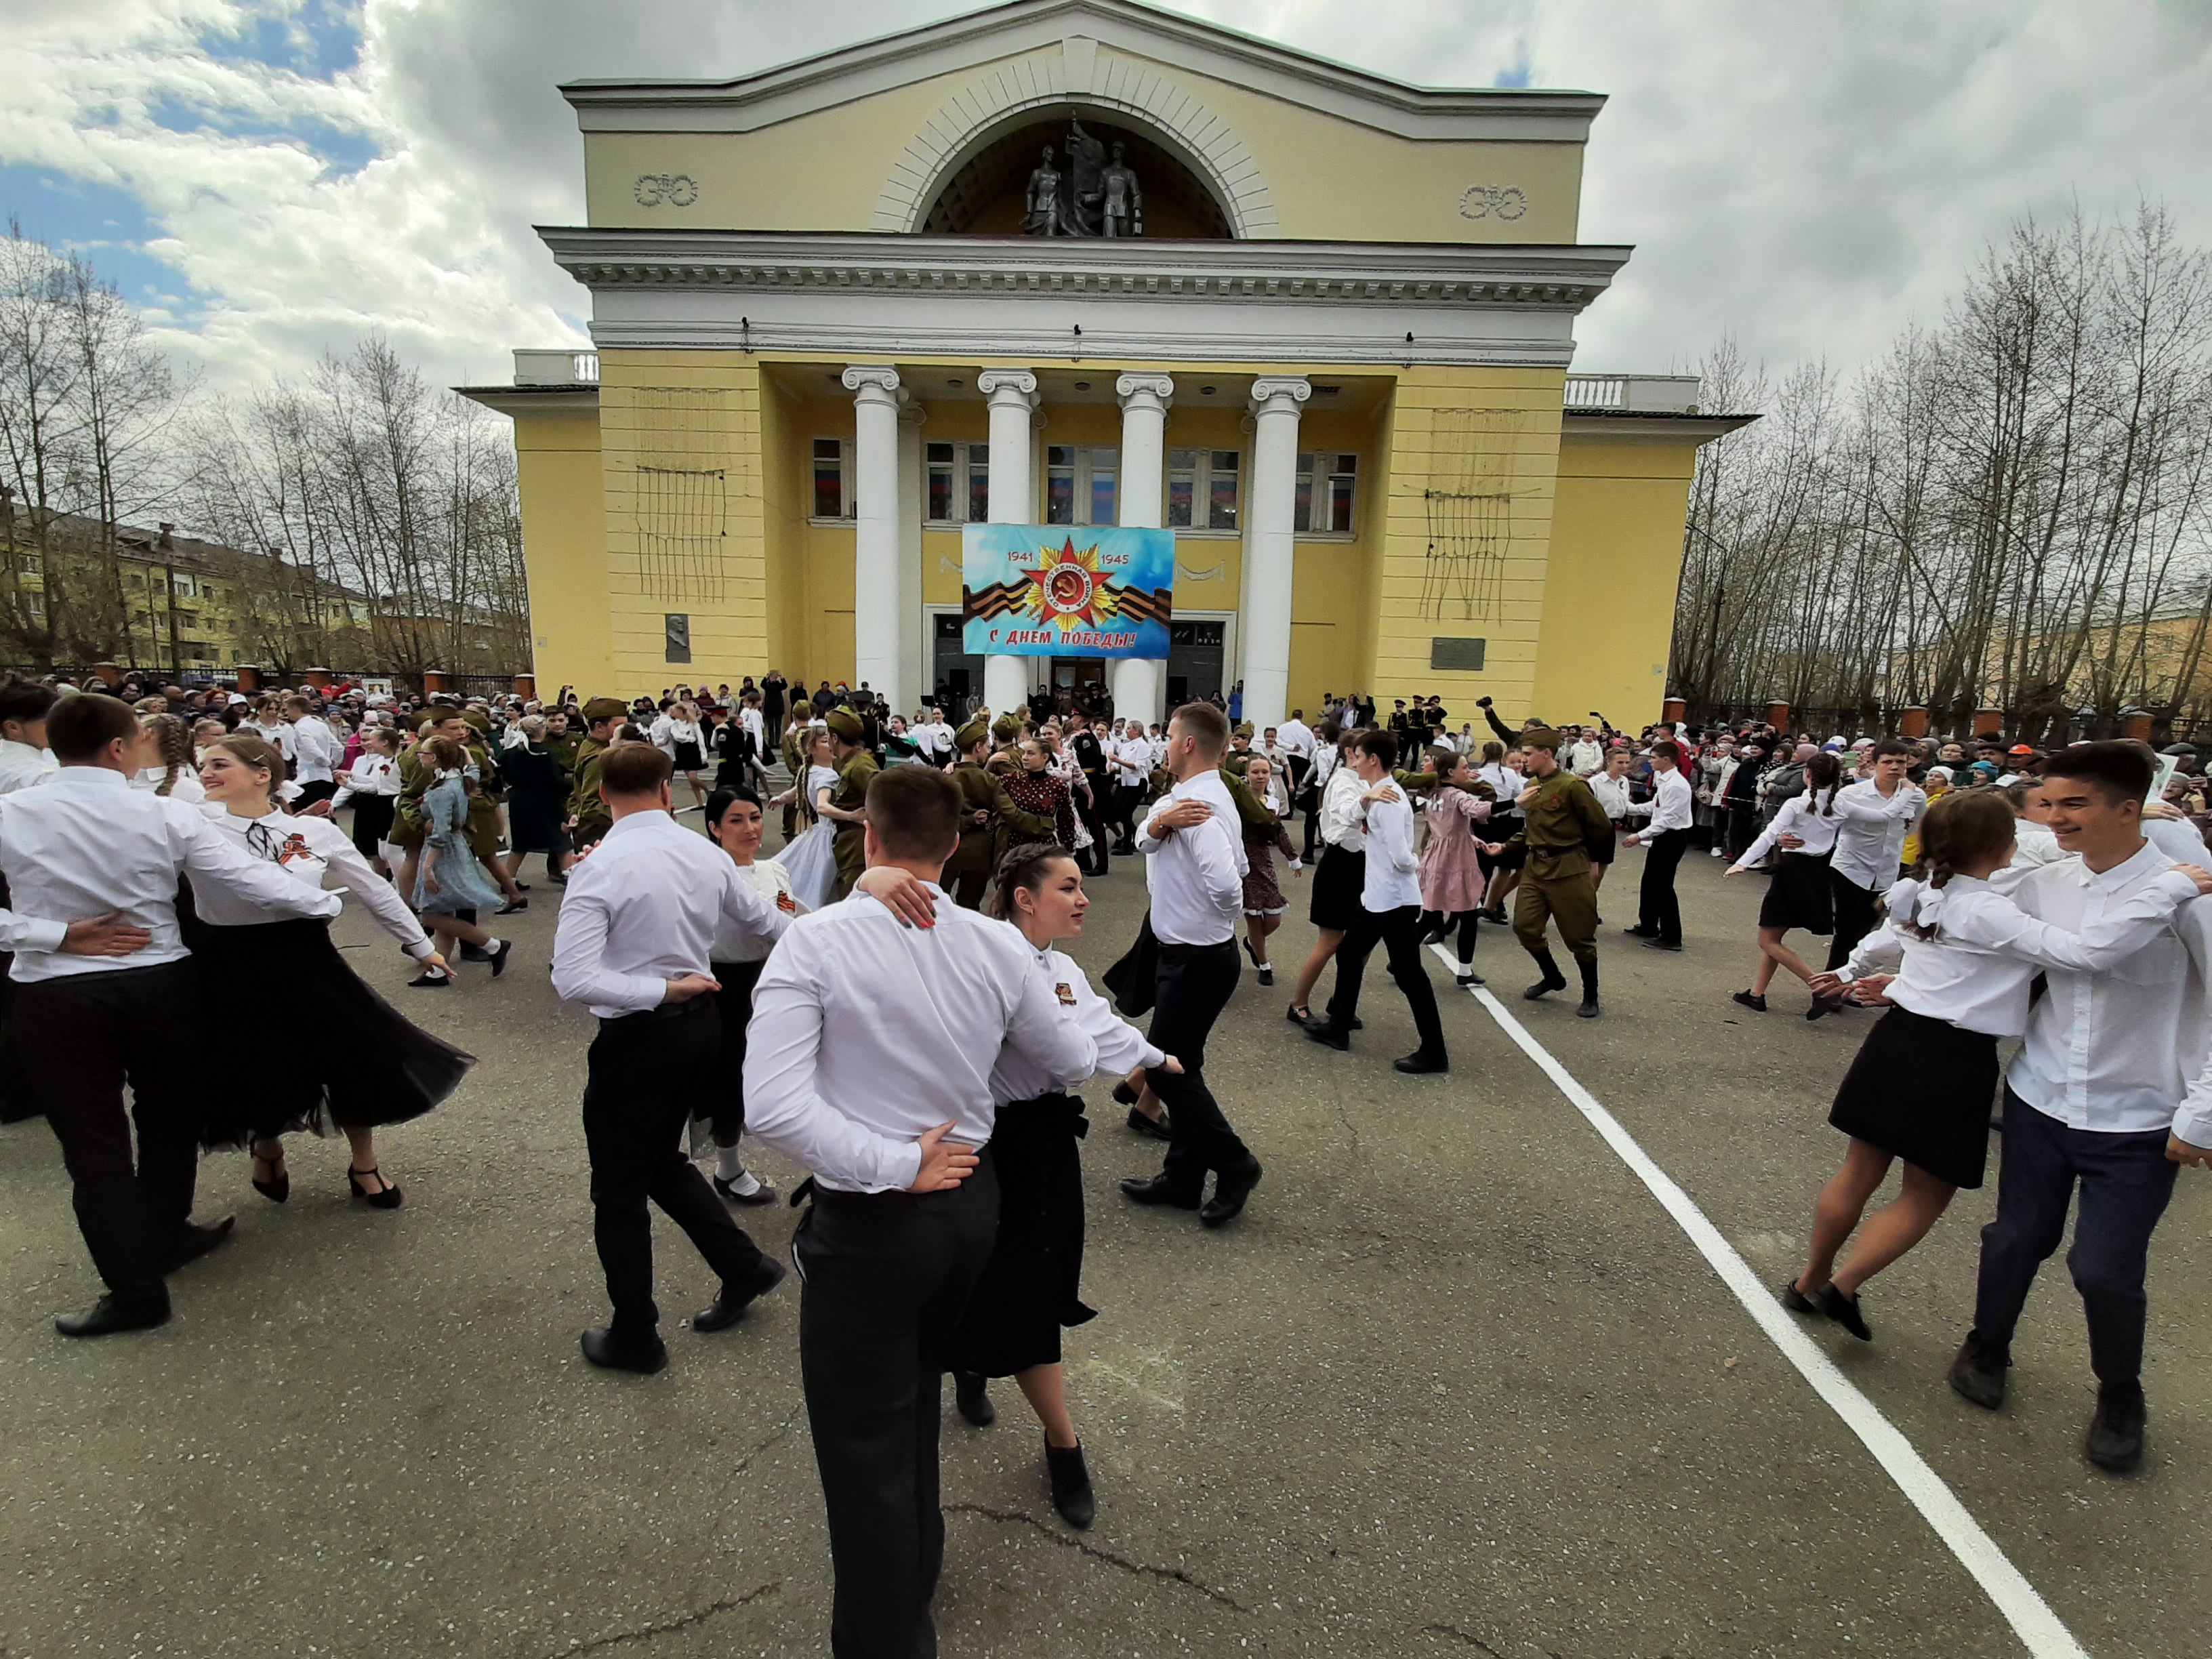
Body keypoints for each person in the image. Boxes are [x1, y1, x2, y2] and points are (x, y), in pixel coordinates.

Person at [742, 766, 1094, 1657]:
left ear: (868, 837)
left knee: (864, 1444)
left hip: (880, 1217)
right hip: (969, 1205)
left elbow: (771, 1106)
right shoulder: (993, 942)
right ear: (950, 846)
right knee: (909, 1402)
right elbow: (1067, 1059)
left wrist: (895, 1163)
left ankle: (888, 1636)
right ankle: (915, 1568)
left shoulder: (818, 942)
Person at [1789, 787, 2209, 1354]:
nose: (2028, 836)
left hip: (1897, 1039)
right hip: (1953, 1057)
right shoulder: (1992, 908)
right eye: (2013, 833)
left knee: (1857, 1173)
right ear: (1995, 844)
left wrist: (1860, 969)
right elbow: (2086, 951)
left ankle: (1808, 1279)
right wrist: (2172, 885)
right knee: (1923, 1194)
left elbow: (1902, 940)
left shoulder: (1919, 889)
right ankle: (1842, 1287)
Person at [0, 694, 348, 1336]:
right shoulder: (163, 814)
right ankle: (158, 1240)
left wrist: (50, 934)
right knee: (164, 1116)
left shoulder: (11, 813)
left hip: (57, 992)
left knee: (94, 1142)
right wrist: (319, 905)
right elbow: (244, 877)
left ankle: (141, 1278)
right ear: (118, 748)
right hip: (158, 982)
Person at [1931, 743, 2212, 1472]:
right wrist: (1883, 976)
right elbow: (1973, 937)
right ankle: (1987, 1344)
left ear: (2130, 809)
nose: (2053, 818)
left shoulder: (2191, 893)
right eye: (2048, 803)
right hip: (2040, 1096)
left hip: (2141, 1116)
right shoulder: (2044, 883)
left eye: (2074, 804)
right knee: (2017, 1237)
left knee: (2104, 1269)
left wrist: (2201, 1113)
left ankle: (2121, 1393)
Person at [550, 743, 838, 1372]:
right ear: (664, 792)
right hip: (698, 1028)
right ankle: (744, 1266)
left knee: (617, 1191)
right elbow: (775, 925)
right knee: (658, 1162)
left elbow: (571, 978)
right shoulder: (703, 855)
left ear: (603, 795)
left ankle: (636, 1335)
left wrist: (660, 988)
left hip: (645, 1035)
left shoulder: (601, 868)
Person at [949, 843, 1179, 1530]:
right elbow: (1072, 1054)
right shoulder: (990, 960)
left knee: (1025, 1281)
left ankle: (971, 1362)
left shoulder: (1060, 964)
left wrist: (1154, 1058)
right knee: (1020, 1287)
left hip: (1047, 1146)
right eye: (1069, 887)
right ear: (1025, 896)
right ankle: (1062, 1441)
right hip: (993, 1145)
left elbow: (1101, 1028)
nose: (1083, 899)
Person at [192, 734, 474, 1210]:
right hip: (227, 960)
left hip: (307, 959)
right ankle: (267, 1147)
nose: (205, 773)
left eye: (219, 764)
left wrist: (421, 945)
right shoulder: (195, 826)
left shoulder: (314, 832)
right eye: (202, 765)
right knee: (251, 1062)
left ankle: (364, 1163)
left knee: (352, 1058)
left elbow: (375, 890)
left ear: (263, 774)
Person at [1116, 701, 1265, 1226]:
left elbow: (1230, 882)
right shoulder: (1186, 798)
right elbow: (1140, 841)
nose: (1164, 744)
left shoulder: (1200, 807)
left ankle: (1236, 1163)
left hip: (1198, 957)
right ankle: (1182, 1180)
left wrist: (1215, 920)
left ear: (1186, 744)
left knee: (1171, 1071)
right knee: (1182, 1066)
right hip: (1184, 954)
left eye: (1170, 736)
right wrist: (1159, 824)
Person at [1301, 730, 1450, 1069]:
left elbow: (1400, 855)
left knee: (1409, 974)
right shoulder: (1377, 794)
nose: (1352, 760)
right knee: (1350, 955)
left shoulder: (1391, 800)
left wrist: (1414, 865)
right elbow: (1350, 816)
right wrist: (1366, 801)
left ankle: (1434, 1051)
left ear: (1372, 759)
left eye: (1358, 755)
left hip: (1395, 901)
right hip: (1375, 899)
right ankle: (1338, 1028)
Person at [1484, 729, 1610, 1017]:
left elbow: (1600, 826)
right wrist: (1503, 848)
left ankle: (1591, 994)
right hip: (1535, 867)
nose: (1523, 759)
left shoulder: (1573, 787)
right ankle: (1553, 977)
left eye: (1528, 754)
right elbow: (1530, 830)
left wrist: (1591, 860)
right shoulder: (1532, 784)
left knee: (1579, 937)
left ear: (1547, 754)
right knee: (1525, 927)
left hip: (1568, 868)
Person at [1724, 752, 1843, 1014]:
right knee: (1774, 937)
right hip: (1818, 872)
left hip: (1794, 871)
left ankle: (1821, 987)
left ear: (1807, 775)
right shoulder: (1841, 804)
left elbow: (1769, 834)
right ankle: (1757, 993)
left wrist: (1743, 861)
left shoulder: (1796, 804)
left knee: (1767, 940)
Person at [412, 736, 514, 981]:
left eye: (422, 753)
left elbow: (441, 831)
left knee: (432, 914)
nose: (420, 756)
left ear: (434, 758)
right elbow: (473, 771)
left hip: (443, 852)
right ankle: (438, 971)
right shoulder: (459, 779)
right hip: (457, 846)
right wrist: (463, 751)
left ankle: (494, 946)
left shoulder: (442, 791)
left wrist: (427, 868)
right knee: (443, 911)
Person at [1824, 739, 1927, 977]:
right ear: (1875, 763)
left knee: (1867, 931)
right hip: (1851, 867)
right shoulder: (1854, 793)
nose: (1894, 767)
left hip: (1886, 872)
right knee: (1846, 930)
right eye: (1888, 761)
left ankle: (1852, 981)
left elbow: (1912, 827)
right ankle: (1831, 984)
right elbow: (1833, 825)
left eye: (1900, 762)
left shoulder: (1916, 796)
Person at [944, 717, 1054, 910]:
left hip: (945, 847)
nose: (990, 750)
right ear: (978, 747)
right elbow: (1012, 814)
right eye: (987, 745)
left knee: (937, 903)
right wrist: (1044, 824)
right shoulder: (989, 780)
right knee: (969, 906)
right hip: (979, 852)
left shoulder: (944, 776)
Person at [1416, 751, 1495, 987]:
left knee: (1431, 916)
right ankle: (1464, 971)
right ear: (1451, 772)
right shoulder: (1457, 794)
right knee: (1468, 916)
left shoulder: (1435, 793)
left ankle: (1400, 959)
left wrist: (1469, 837)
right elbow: (1479, 809)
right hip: (1456, 861)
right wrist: (1517, 802)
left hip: (1436, 855)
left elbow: (1446, 826)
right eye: (1464, 767)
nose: (1468, 771)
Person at [1235, 756, 1301, 987]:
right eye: (1256, 772)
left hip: (1264, 861)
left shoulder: (1272, 802)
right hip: (1241, 861)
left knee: (1273, 918)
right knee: (1253, 917)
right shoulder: (1236, 800)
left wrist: (1292, 857)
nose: (1261, 776)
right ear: (1247, 774)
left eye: (1265, 772)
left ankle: (1253, 943)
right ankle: (1265, 965)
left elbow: (1278, 831)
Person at [1622, 739, 1694, 950]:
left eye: (1653, 758)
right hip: (1663, 836)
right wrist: (1629, 808)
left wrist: (1639, 835)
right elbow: (1656, 807)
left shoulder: (1677, 785)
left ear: (1666, 759)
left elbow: (1668, 819)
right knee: (1650, 882)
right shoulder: (1664, 780)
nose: (1650, 761)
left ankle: (1671, 936)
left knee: (1663, 886)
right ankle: (1649, 925)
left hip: (1672, 837)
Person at [498, 714, 571, 888]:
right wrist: (571, 786)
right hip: (547, 800)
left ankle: (508, 881)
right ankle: (570, 877)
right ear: (543, 730)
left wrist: (507, 788)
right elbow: (555, 780)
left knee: (520, 843)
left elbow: (497, 772)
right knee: (562, 841)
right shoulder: (546, 754)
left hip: (519, 799)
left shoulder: (509, 754)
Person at [821, 708, 880, 901]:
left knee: (854, 904)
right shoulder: (849, 762)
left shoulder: (860, 765)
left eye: (828, 736)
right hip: (850, 847)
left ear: (835, 738)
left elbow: (885, 799)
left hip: (858, 848)